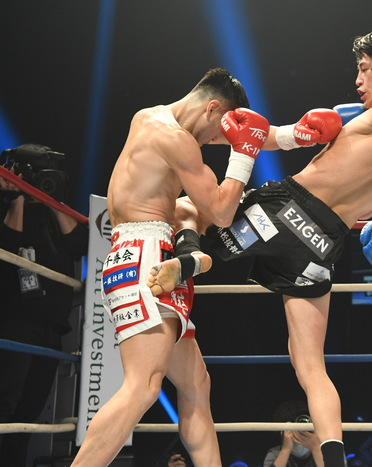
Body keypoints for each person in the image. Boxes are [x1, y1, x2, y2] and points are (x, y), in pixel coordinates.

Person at [152, 27, 372, 467]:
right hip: (322, 244)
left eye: (365, 70)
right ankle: (334, 461)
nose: (358, 80)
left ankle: (190, 260)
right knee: (310, 366)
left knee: (188, 209)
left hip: (286, 211)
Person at [70, 68, 273, 467]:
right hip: (144, 256)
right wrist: (243, 155)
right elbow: (221, 212)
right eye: (219, 130)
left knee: (196, 383)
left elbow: (190, 194)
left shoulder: (148, 117)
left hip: (152, 251)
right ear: (213, 108)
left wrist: (290, 136)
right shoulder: (177, 140)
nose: (215, 141)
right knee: (144, 386)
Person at [0, 144, 89, 466]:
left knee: (30, 412)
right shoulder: (7, 205)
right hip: (16, 322)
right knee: (5, 404)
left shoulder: (55, 213)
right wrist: (16, 197)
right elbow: (9, 245)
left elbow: (80, 244)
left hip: (52, 327)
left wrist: (51, 198)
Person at [263, 400, 324, 467]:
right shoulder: (275, 454)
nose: (299, 433)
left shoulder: (325, 451)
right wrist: (286, 450)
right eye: (291, 430)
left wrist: (315, 447)